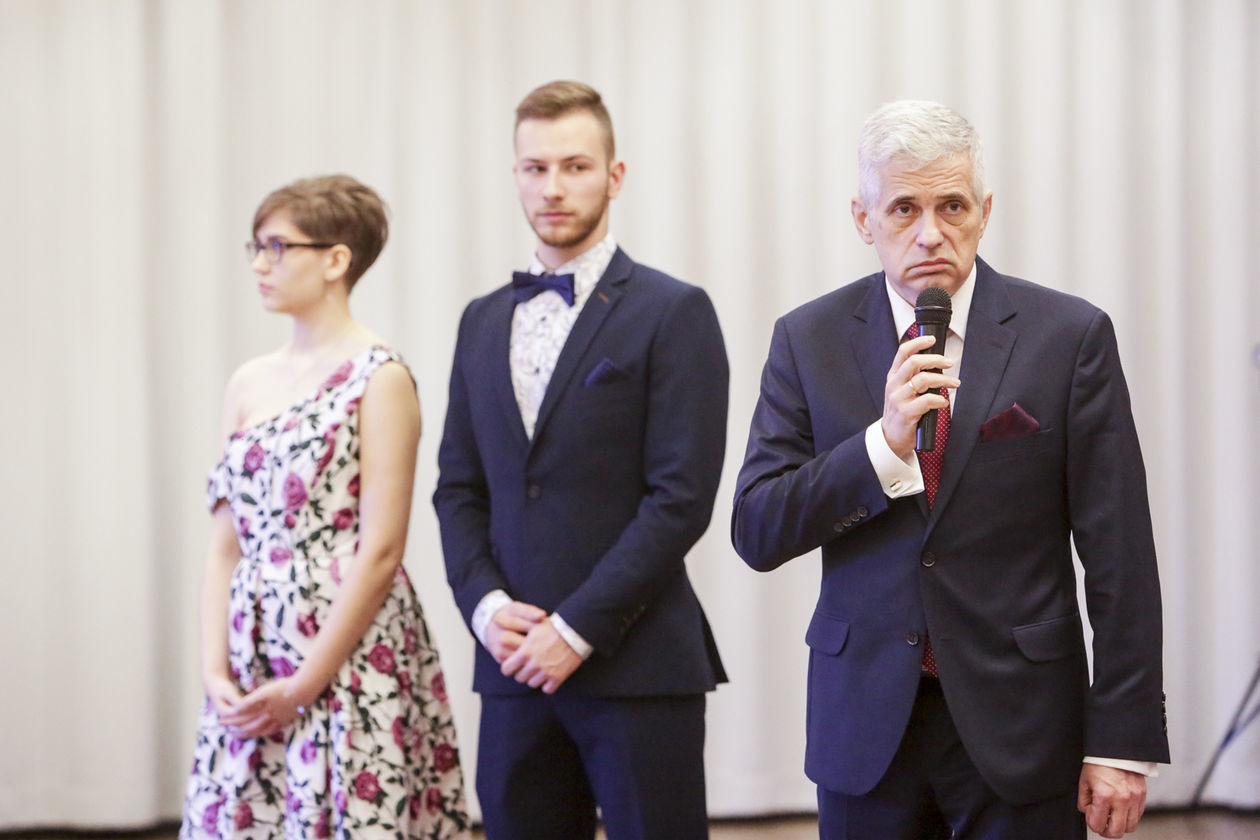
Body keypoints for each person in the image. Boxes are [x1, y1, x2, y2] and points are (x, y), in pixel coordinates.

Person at [731, 101, 1169, 839]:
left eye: (952, 206)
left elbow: (1120, 553)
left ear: (984, 212)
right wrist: (883, 446)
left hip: (1024, 725)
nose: (930, 233)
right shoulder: (808, 339)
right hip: (865, 726)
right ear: (864, 219)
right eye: (903, 208)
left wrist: (1122, 740)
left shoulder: (1069, 337)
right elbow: (758, 529)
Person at [433, 80, 728, 840]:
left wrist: (576, 628)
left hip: (637, 666)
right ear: (515, 175)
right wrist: (486, 609)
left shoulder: (674, 311)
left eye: (575, 166)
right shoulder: (479, 321)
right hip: (511, 671)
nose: (553, 188)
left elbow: (681, 498)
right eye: (536, 168)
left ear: (614, 175)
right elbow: (458, 489)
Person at [181, 175, 469, 839]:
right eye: (256, 247)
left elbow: (381, 551)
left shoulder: (380, 377)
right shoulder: (247, 382)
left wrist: (304, 686)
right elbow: (225, 544)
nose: (261, 264)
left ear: (336, 259)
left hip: (345, 654)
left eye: (278, 247)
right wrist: (215, 669)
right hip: (255, 651)